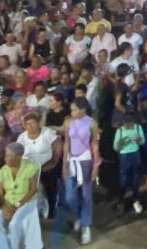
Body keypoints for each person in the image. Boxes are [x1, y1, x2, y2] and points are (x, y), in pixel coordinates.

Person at [62, 98, 99, 245]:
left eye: (74, 109)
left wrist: (96, 166)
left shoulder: (92, 123)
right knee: (69, 196)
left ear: (83, 109)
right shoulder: (68, 122)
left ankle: (85, 225)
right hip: (72, 161)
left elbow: (95, 145)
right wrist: (64, 165)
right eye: (71, 109)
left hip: (85, 161)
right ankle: (79, 216)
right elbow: (66, 143)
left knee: (86, 195)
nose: (72, 112)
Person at [0, 142, 38, 249]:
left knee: (14, 224)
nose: (5, 158)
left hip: (26, 202)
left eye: (8, 155)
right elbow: (0, 193)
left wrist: (16, 206)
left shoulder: (30, 167)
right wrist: (4, 207)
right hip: (7, 204)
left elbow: (33, 190)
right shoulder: (4, 170)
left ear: (18, 156)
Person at [113, 112, 145, 214]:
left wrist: (138, 139)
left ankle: (135, 199)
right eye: (127, 125)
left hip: (135, 154)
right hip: (124, 155)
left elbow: (142, 142)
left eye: (130, 124)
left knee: (136, 178)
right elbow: (115, 147)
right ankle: (121, 200)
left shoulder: (138, 128)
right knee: (123, 179)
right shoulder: (120, 131)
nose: (129, 126)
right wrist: (122, 141)